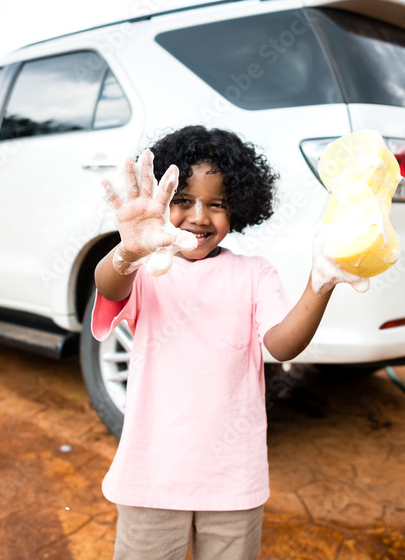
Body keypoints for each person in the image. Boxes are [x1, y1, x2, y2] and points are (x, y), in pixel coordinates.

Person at [91, 126, 364, 559]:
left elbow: (281, 345)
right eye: (182, 201)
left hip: (233, 480)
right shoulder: (146, 269)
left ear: (238, 208)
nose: (199, 217)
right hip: (151, 476)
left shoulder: (255, 273)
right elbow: (108, 286)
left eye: (216, 204)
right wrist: (128, 250)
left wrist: (320, 283)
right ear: (163, 204)